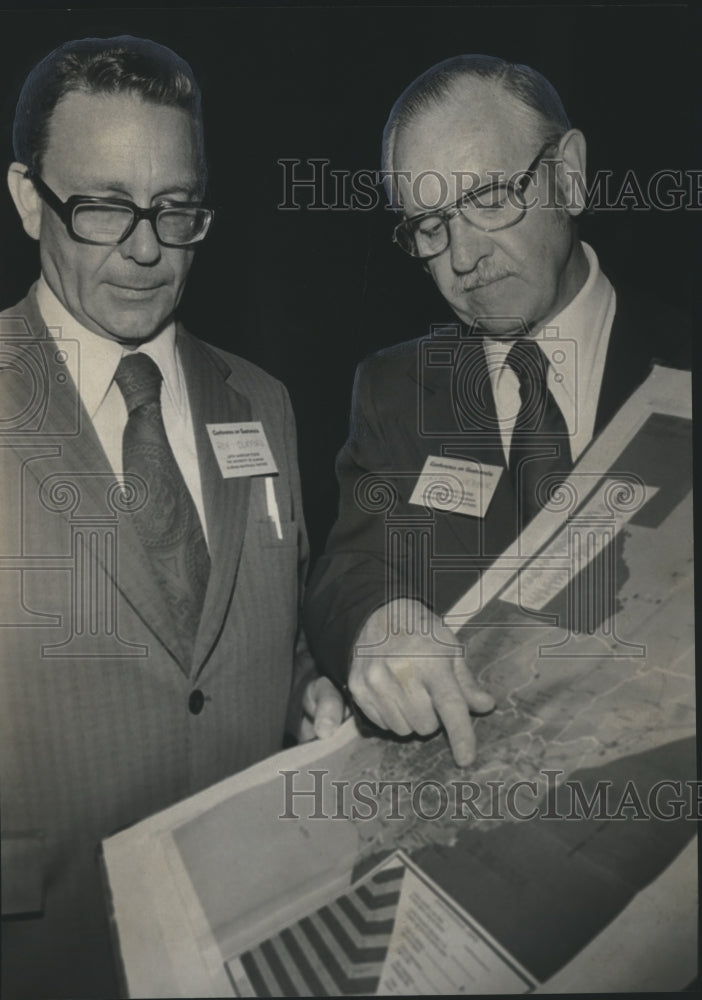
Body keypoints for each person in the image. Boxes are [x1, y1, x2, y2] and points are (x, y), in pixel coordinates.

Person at [0, 35, 342, 999]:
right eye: (104, 207)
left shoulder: (262, 401)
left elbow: (267, 634)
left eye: (176, 208)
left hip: (256, 931)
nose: (147, 248)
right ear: (28, 198)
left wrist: (308, 694)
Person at [304, 54, 688, 769]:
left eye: (487, 197)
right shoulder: (396, 388)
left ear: (569, 175)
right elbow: (350, 566)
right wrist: (378, 620)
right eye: (430, 224)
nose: (463, 257)